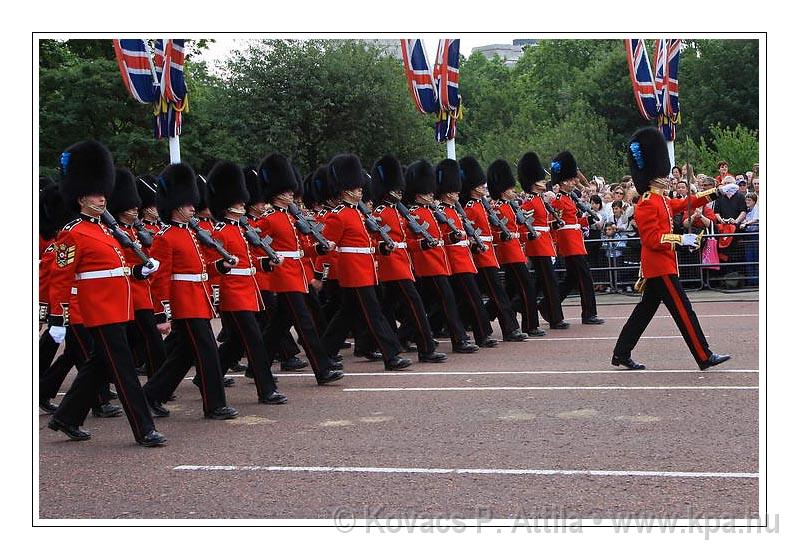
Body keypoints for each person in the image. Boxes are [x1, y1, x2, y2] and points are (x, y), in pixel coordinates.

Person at [46, 140, 166, 446]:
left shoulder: (105, 230)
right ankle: (144, 428)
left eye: (102, 193)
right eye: (95, 194)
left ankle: (67, 416)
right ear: (80, 197)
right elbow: (61, 279)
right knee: (123, 369)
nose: (102, 199)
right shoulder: (71, 233)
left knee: (99, 364)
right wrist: (58, 319)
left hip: (119, 306)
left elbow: (118, 269)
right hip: (99, 310)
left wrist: (141, 271)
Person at [612, 127, 731, 371]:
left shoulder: (661, 199)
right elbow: (653, 240)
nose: (667, 178)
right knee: (684, 311)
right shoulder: (645, 203)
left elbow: (684, 203)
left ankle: (621, 353)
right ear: (652, 176)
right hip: (659, 267)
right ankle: (704, 355)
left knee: (644, 312)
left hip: (663, 265)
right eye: (662, 174)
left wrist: (715, 192)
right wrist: (681, 239)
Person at [142, 162, 241, 417]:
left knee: (185, 354)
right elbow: (159, 279)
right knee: (207, 353)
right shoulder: (165, 237)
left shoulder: (192, 234)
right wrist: (161, 314)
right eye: (187, 204)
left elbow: (202, 269)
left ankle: (150, 396)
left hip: (199, 299)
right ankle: (214, 404)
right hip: (184, 303)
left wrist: (222, 265)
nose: (192, 207)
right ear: (175, 206)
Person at [257, 153, 346, 384]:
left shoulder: (290, 217)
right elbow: (257, 250)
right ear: (276, 193)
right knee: (305, 323)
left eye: (291, 192)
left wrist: (322, 248)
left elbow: (303, 249)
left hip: (296, 274)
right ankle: (322, 368)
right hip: (283, 276)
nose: (291, 195)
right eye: (286, 192)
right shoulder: (268, 219)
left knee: (278, 325)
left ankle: (257, 366)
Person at [320, 154, 413, 370]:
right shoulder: (338, 215)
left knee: (347, 313)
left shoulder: (360, 214)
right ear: (344, 190)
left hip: (366, 268)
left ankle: (324, 352)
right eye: (356, 187)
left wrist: (381, 248)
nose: (361, 190)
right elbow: (327, 249)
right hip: (353, 271)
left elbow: (367, 242)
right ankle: (391, 355)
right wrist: (321, 275)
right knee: (374, 313)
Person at [370, 155, 448, 362]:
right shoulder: (380, 213)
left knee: (387, 306)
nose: (399, 192)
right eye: (395, 189)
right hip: (392, 264)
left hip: (403, 262)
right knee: (414, 303)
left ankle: (392, 340)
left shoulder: (398, 211)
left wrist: (421, 244)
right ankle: (426, 348)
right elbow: (374, 241)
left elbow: (408, 240)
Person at [403, 159, 481, 353]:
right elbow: (408, 241)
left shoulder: (432, 211)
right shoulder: (413, 213)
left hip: (440, 261)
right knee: (446, 300)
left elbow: (441, 236)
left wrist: (453, 236)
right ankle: (459, 339)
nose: (431, 194)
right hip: (428, 263)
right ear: (418, 193)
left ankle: (404, 336)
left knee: (428, 303)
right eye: (427, 191)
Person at [459, 156, 531, 340]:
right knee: (496, 293)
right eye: (480, 185)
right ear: (472, 186)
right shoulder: (469, 207)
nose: (484, 187)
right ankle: (508, 329)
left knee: (493, 292)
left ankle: (497, 329)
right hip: (480, 254)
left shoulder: (482, 205)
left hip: (489, 252)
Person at [435, 158, 500, 347]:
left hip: (465, 257)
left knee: (468, 299)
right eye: (454, 189)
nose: (457, 192)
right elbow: (442, 236)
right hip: (454, 259)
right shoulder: (441, 210)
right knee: (469, 298)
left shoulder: (455, 209)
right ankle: (467, 337)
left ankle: (479, 334)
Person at [549, 151, 604, 324]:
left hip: (575, 240)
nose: (575, 182)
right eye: (572, 179)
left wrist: (588, 218)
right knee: (584, 278)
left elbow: (573, 220)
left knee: (571, 279)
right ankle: (588, 313)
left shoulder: (569, 197)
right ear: (564, 181)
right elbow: (557, 223)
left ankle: (547, 306)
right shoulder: (558, 199)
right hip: (569, 242)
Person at [517, 152, 570, 329]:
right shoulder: (529, 203)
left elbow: (544, 223)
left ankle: (518, 306)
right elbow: (525, 226)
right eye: (540, 180)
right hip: (537, 245)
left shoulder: (539, 200)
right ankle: (555, 318)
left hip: (545, 243)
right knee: (549, 282)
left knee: (543, 282)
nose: (543, 182)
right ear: (533, 183)